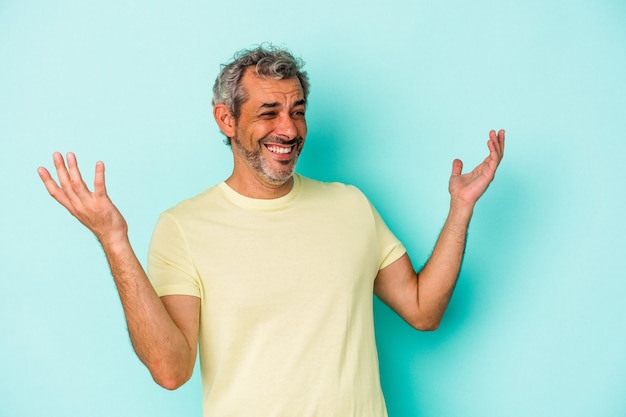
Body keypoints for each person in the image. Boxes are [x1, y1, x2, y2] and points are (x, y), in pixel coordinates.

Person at [38, 45, 505, 416]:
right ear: (226, 119)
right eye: (268, 112)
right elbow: (171, 370)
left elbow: (423, 310)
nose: (289, 128)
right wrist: (114, 241)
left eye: (297, 111)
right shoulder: (184, 226)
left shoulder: (351, 205)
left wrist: (460, 208)